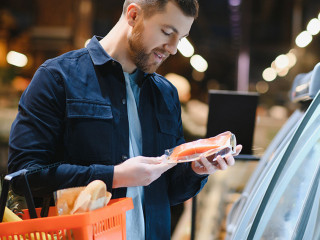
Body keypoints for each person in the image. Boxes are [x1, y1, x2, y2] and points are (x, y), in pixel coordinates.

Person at [8, 0, 242, 239]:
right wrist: (114, 176)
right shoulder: (57, 78)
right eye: (167, 32)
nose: (173, 48)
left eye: (180, 38)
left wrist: (196, 170)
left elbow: (167, 193)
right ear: (133, 15)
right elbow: (22, 175)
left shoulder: (167, 94)